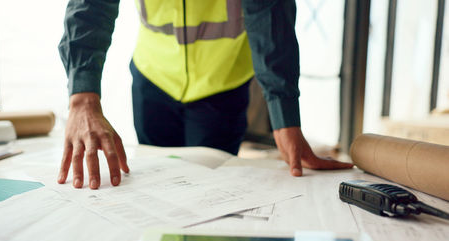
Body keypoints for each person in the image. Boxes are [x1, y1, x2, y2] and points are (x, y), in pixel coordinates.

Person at [57, 0, 353, 190]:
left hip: (221, 86)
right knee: (155, 191)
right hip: (153, 79)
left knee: (212, 196)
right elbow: (91, 8)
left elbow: (270, 14)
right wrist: (82, 97)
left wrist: (284, 116)